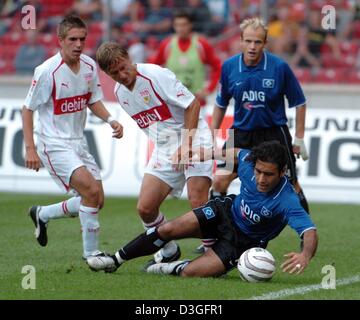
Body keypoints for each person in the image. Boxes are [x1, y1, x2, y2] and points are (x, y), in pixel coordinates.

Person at [86, 141, 318, 277]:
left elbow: (309, 231)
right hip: (224, 212)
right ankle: (114, 260)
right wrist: (205, 153)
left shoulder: (287, 199)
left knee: (190, 274)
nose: (261, 179)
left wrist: (305, 254)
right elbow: (237, 153)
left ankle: (168, 267)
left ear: (282, 171)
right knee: (169, 229)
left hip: (243, 242)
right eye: (258, 171)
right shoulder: (250, 163)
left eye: (268, 174)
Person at [95, 41, 214, 266]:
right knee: (145, 208)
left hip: (194, 136)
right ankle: (169, 250)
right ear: (107, 74)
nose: (122, 74)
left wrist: (186, 144)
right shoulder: (121, 93)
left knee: (198, 201)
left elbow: (193, 105)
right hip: (165, 146)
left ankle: (213, 254)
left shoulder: (155, 75)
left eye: (123, 67)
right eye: (114, 73)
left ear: (129, 58)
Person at [22, 15, 123, 261]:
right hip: (53, 143)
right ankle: (92, 255)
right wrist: (30, 148)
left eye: (82, 39)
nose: (78, 44)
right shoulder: (47, 71)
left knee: (96, 200)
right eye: (73, 39)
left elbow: (92, 100)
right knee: (89, 190)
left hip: (78, 141)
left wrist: (110, 119)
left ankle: (42, 214)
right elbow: (27, 108)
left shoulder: (89, 66)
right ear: (60, 41)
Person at [209, 17, 310, 217]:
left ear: (265, 43)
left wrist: (299, 137)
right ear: (240, 41)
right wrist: (213, 134)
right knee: (220, 180)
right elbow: (221, 104)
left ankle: (306, 233)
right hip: (240, 133)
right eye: (248, 41)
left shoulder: (279, 67)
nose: (252, 46)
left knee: (290, 183)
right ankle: (216, 236)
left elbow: (299, 102)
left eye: (257, 42)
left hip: (273, 134)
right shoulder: (229, 67)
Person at [148, 10, 221, 108]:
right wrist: (160, 90)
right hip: (174, 104)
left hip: (198, 103)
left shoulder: (201, 44)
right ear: (174, 26)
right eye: (177, 25)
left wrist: (209, 89)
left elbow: (217, 67)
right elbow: (151, 68)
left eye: (184, 25)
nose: (181, 28)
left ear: (190, 25)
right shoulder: (167, 45)